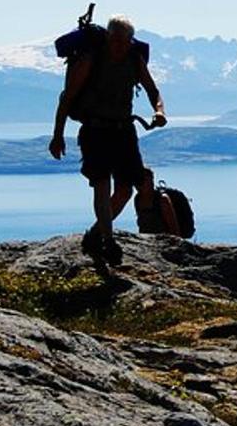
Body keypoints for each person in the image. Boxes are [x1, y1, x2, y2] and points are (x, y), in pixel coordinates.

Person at [49, 15, 166, 266]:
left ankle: (96, 233)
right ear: (108, 37)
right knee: (101, 185)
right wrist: (57, 135)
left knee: (125, 189)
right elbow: (67, 98)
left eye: (125, 42)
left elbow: (152, 90)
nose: (120, 46)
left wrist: (159, 111)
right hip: (95, 131)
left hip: (124, 131)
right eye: (116, 41)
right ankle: (108, 242)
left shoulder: (134, 59)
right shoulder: (91, 59)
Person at [134, 168, 181, 236]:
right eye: (136, 181)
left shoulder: (162, 199)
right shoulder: (138, 199)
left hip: (163, 240)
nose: (138, 185)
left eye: (142, 181)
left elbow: (174, 229)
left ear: (151, 181)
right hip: (145, 240)